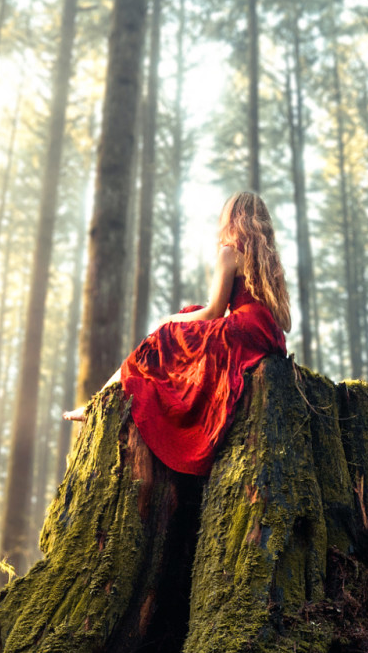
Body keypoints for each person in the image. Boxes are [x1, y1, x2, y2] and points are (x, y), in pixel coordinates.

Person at [64, 191, 291, 476]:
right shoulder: (270, 263)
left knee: (168, 333)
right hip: (267, 336)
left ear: (231, 219)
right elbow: (284, 321)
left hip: (241, 328)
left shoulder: (231, 252)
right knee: (186, 320)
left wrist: (168, 321)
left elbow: (214, 313)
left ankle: (100, 399)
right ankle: (110, 394)